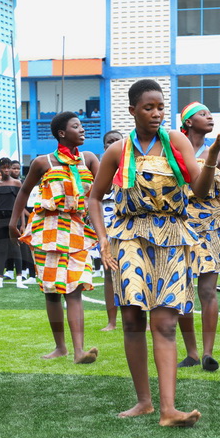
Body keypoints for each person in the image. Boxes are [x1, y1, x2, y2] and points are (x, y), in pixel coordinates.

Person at [89, 78, 215, 427]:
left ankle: (168, 409)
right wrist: (102, 238)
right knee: (132, 320)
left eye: (160, 107)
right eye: (149, 107)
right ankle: (144, 402)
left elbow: (200, 190)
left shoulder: (176, 141)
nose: (157, 113)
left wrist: (212, 158)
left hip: (172, 235)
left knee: (165, 322)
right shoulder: (117, 150)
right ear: (133, 110)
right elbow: (95, 197)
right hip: (129, 236)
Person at [12, 111, 100, 364]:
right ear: (62, 133)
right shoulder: (43, 162)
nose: (82, 129)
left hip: (77, 230)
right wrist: (13, 222)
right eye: (76, 126)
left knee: (74, 288)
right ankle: (61, 347)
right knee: (51, 292)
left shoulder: (89, 159)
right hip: (47, 230)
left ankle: (79, 351)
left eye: (81, 126)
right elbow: (24, 191)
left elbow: (101, 191)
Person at [176, 102, 220, 370]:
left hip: (213, 224)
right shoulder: (175, 149)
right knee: (182, 289)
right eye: (202, 114)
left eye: (210, 114)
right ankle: (191, 352)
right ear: (188, 122)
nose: (210, 117)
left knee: (208, 290)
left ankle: (207, 353)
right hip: (182, 223)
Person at [97, 129, 123, 332]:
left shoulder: (133, 163)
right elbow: (101, 191)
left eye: (117, 140)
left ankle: (147, 321)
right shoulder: (100, 166)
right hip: (107, 225)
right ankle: (111, 321)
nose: (113, 144)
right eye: (109, 141)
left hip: (130, 222)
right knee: (109, 272)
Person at [0, 157, 25, 289]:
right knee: (1, 248)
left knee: (15, 247)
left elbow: (21, 205)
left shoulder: (17, 183)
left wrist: (22, 224)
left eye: (8, 167)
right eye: (4, 168)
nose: (7, 170)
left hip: (13, 218)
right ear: (0, 169)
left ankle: (19, 278)